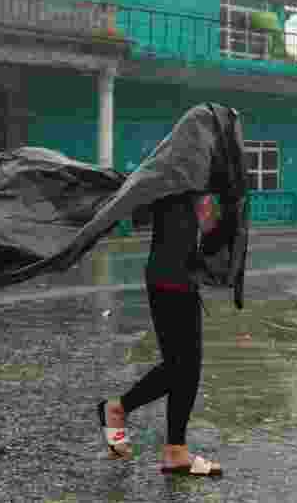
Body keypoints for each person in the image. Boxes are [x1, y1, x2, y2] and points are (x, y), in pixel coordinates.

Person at [97, 191, 223, 477]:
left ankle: (175, 451)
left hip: (175, 276)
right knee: (183, 366)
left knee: (185, 366)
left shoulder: (180, 172)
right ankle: (118, 409)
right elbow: (202, 222)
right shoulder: (181, 169)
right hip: (172, 278)